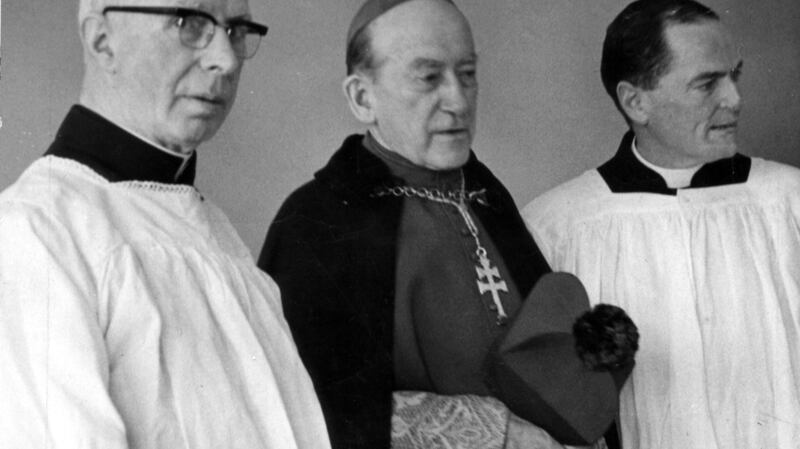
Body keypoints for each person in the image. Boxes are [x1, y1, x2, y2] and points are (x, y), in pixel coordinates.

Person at [259, 1, 631, 448]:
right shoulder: (317, 222)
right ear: (362, 98)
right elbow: (306, 404)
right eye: (428, 77)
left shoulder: (485, 194)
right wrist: (498, 433)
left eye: (468, 73)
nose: (457, 100)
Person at [0, 0, 330, 448]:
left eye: (235, 30)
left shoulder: (213, 231)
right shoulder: (38, 229)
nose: (227, 59)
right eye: (190, 23)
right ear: (102, 40)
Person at [523, 0, 800, 447]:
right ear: (636, 101)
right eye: (708, 83)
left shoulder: (790, 204)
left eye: (735, 75)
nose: (735, 99)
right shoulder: (557, 229)